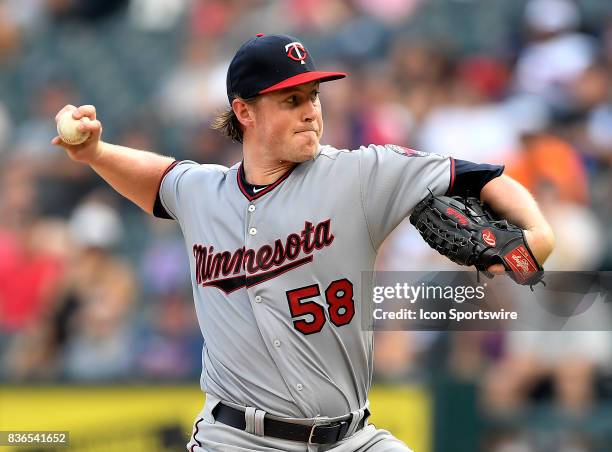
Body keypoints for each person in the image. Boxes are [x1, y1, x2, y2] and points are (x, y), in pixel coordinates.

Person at [52, 34, 555, 452]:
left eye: (314, 96)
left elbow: (483, 178)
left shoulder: (360, 174)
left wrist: (537, 235)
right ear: (244, 111)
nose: (311, 112)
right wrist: (95, 150)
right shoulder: (201, 192)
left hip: (350, 439)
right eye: (291, 100)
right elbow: (158, 178)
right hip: (236, 440)